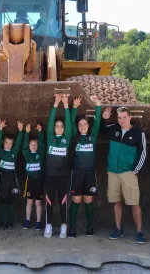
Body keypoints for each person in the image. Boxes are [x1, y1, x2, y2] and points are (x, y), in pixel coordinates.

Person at [101, 106, 147, 244]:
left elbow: (143, 153)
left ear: (130, 117)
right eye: (119, 117)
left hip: (128, 172)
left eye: (124, 117)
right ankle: (118, 229)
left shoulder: (138, 133)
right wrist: (103, 119)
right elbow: (100, 129)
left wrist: (135, 170)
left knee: (134, 202)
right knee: (116, 201)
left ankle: (139, 232)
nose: (121, 120)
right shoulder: (113, 128)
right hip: (112, 172)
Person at [68, 96, 101, 238]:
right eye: (80, 124)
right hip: (77, 173)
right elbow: (69, 123)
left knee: (88, 200)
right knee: (76, 200)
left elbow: (98, 121)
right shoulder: (75, 136)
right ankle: (72, 229)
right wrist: (74, 107)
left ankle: (90, 228)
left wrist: (98, 106)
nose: (82, 126)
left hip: (90, 174)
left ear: (88, 126)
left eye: (85, 124)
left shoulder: (92, 137)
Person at [44, 94, 72, 239]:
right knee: (49, 200)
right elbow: (49, 122)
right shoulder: (50, 138)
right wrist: (55, 104)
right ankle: (48, 225)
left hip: (62, 176)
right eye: (57, 126)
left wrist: (66, 105)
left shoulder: (66, 139)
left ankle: (63, 226)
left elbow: (69, 124)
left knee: (62, 201)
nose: (60, 128)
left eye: (61, 126)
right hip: (50, 175)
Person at [0, 120, 24, 230]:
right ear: (3, 142)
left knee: (11, 202)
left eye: (10, 143)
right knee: (3, 202)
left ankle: (10, 222)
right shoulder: (0, 152)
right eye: (6, 143)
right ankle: (3, 222)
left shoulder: (14, 151)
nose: (8, 145)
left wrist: (21, 130)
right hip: (3, 179)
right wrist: (0, 129)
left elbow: (18, 143)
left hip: (12, 179)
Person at [22, 123, 45, 231]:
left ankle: (38, 222)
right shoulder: (26, 153)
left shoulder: (40, 153)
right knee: (29, 202)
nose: (34, 146)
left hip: (39, 181)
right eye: (32, 144)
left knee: (38, 202)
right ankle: (27, 220)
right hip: (29, 181)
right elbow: (24, 145)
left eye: (35, 144)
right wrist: (26, 132)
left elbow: (42, 146)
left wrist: (40, 132)